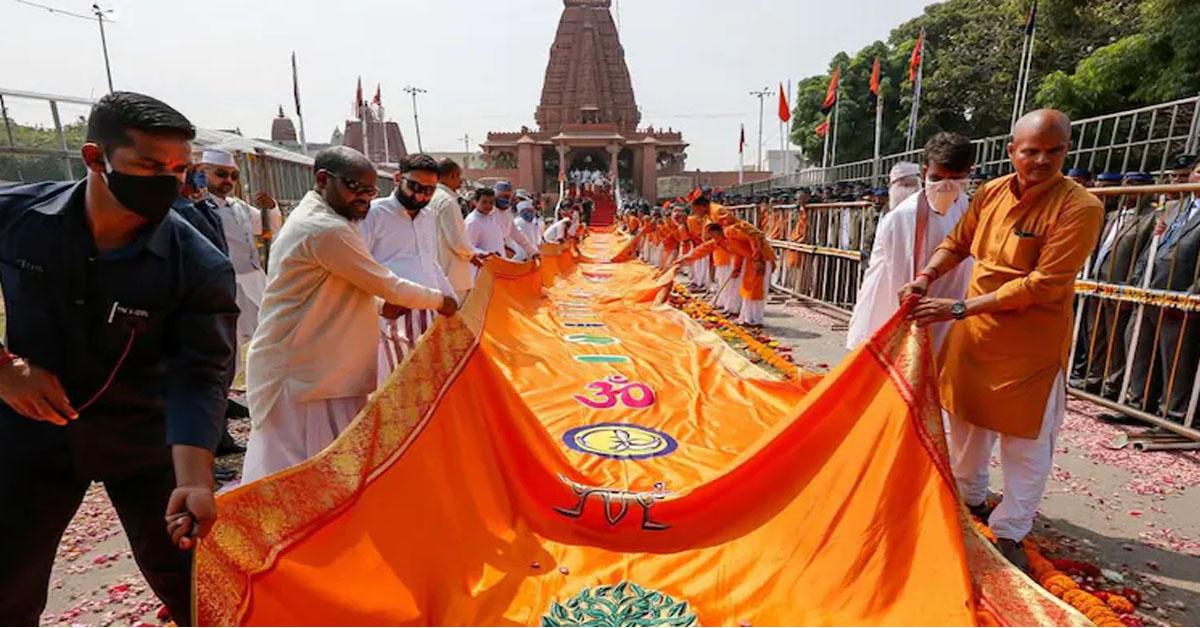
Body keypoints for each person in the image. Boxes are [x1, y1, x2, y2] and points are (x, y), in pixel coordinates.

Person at [0, 91, 238, 625]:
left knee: (193, 585)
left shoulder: (197, 264)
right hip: (29, 431)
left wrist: (194, 479)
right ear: (95, 158)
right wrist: (5, 370)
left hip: (145, 439)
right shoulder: (18, 218)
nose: (168, 182)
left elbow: (200, 373)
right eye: (150, 166)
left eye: (179, 169)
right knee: (7, 582)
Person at [903, 109, 1103, 570]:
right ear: (1012, 151)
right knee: (966, 427)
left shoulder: (1081, 207)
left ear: (1066, 151)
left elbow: (1043, 284)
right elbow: (957, 242)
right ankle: (970, 498)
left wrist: (957, 308)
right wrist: (925, 277)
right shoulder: (991, 192)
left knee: (1025, 444)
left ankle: (1012, 528)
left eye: (1053, 151)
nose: (1041, 160)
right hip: (975, 335)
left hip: (1030, 346)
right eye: (1030, 151)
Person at [241, 147, 455, 484]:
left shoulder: (336, 220)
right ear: (323, 180)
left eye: (370, 190)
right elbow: (385, 282)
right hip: (302, 372)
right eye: (356, 187)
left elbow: (337, 285)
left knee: (331, 471)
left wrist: (381, 307)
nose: (365, 198)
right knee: (290, 477)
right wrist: (442, 301)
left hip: (326, 367)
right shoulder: (325, 228)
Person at [847, 132, 976, 351]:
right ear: (925, 172)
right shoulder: (905, 217)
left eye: (955, 179)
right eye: (937, 178)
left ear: (968, 174)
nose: (945, 186)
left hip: (949, 310)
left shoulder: (965, 205)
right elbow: (902, 283)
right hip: (906, 317)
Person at [360, 154, 459, 383]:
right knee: (396, 382)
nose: (421, 195)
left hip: (429, 311)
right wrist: (381, 305)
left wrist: (451, 297)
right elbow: (359, 269)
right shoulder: (373, 214)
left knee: (429, 381)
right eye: (415, 187)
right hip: (392, 317)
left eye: (429, 190)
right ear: (398, 178)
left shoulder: (428, 216)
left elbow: (430, 262)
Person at [198, 149, 281, 385]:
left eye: (233, 176)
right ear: (204, 174)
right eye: (221, 174)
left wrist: (271, 206)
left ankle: (266, 384)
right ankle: (224, 390)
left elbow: (269, 226)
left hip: (254, 279)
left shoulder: (239, 206)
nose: (228, 181)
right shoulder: (199, 209)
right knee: (228, 339)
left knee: (271, 331)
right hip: (226, 283)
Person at [431, 158, 482, 302]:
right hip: (453, 274)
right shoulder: (447, 202)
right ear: (452, 175)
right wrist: (472, 256)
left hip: (438, 270)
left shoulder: (432, 198)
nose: (461, 181)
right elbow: (457, 242)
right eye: (459, 176)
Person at [493, 181, 540, 263]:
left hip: (502, 257)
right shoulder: (488, 214)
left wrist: (533, 252)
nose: (505, 200)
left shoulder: (507, 214)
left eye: (507, 197)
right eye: (502, 196)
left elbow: (518, 235)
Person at [465, 187, 505, 269]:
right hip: (481, 268)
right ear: (475, 202)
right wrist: (487, 254)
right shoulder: (472, 222)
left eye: (491, 202)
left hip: (498, 266)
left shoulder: (492, 218)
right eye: (484, 202)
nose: (488, 205)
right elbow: (468, 247)